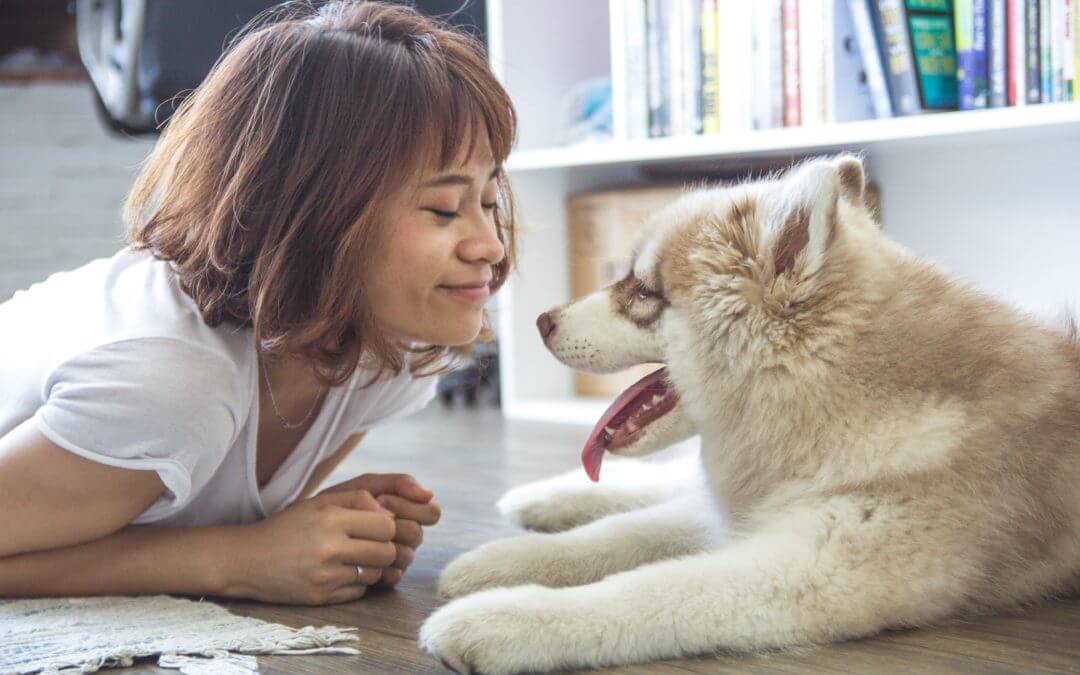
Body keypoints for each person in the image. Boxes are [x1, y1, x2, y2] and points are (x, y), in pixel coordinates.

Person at [0, 0, 516, 606]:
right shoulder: (170, 383)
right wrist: (234, 561)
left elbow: (209, 514)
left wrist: (325, 531)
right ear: (312, 214)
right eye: (443, 209)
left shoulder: (388, 350)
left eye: (488, 201)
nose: (490, 244)